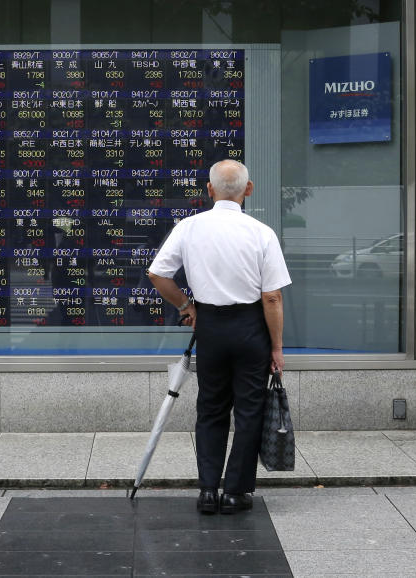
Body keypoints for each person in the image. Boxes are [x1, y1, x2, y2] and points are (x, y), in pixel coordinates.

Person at [147, 159, 291, 515]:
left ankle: (208, 490)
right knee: (249, 410)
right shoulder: (262, 233)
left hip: (209, 325)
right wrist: (276, 346)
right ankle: (235, 492)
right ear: (249, 189)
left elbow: (158, 274)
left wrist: (186, 306)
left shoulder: (190, 226)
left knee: (210, 408)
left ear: (209, 190)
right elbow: (271, 297)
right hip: (250, 327)